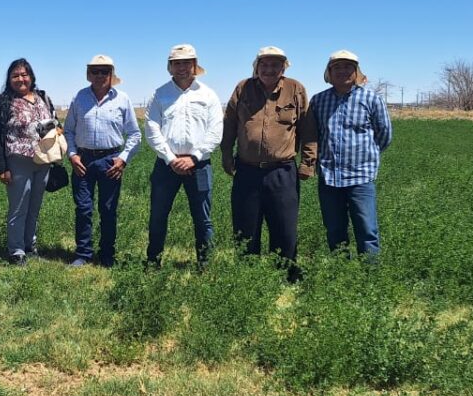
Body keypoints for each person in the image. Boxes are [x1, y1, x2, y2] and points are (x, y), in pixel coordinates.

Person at [220, 46, 317, 281]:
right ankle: (248, 277)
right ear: (257, 66)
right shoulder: (243, 88)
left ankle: (285, 275)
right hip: (247, 170)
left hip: (282, 171)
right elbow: (230, 123)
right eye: (264, 64)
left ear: (283, 67)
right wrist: (225, 155)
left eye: (275, 65)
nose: (269, 69)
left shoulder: (295, 89)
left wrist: (308, 163)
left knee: (284, 227)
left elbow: (308, 128)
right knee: (245, 227)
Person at [302, 50, 392, 263]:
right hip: (329, 178)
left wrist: (366, 158)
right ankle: (341, 272)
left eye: (348, 67)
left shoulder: (371, 99)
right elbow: (313, 135)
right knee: (334, 230)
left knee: (367, 230)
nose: (342, 71)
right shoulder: (318, 101)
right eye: (337, 67)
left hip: (361, 178)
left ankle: (370, 276)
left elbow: (384, 134)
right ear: (329, 73)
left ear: (356, 72)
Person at [144, 44, 223, 268]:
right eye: (176, 63)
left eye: (187, 63)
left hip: (199, 165)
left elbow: (215, 131)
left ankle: (204, 265)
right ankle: (153, 262)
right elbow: (151, 129)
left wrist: (194, 157)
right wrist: (171, 158)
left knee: (203, 218)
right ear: (169, 67)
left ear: (195, 66)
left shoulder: (208, 95)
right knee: (158, 215)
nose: (182, 68)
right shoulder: (159, 94)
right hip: (166, 165)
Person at [64, 54, 142, 268]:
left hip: (110, 161)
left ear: (112, 74)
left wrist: (123, 159)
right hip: (83, 159)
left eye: (104, 71)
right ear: (89, 74)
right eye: (95, 71)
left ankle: (107, 254)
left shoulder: (122, 99)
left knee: (108, 210)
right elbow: (68, 130)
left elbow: (135, 134)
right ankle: (83, 254)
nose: (100, 75)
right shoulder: (79, 98)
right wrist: (72, 154)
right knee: (83, 208)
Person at [0, 58, 59, 265]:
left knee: (34, 207)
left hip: (43, 160)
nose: (20, 79)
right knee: (18, 208)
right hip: (17, 161)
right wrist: (3, 168)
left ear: (31, 77)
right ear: (9, 79)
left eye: (24, 74)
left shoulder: (43, 97)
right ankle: (16, 250)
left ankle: (30, 246)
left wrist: (56, 129)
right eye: (15, 75)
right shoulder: (2, 103)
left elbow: (54, 122)